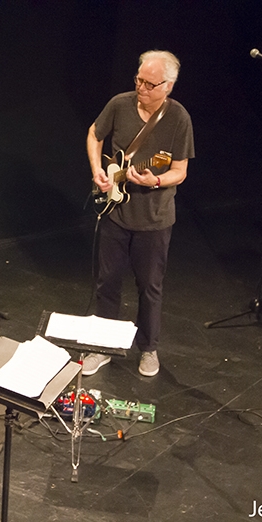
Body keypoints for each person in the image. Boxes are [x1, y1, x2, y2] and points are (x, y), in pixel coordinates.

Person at [85, 50, 195, 377]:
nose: (141, 88)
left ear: (168, 86)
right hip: (115, 213)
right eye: (139, 80)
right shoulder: (119, 104)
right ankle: (102, 346)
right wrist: (97, 171)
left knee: (149, 287)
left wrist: (156, 179)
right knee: (107, 282)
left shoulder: (178, 119)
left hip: (154, 219)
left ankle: (148, 348)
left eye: (150, 84)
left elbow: (180, 170)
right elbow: (95, 133)